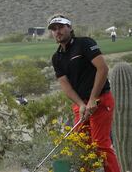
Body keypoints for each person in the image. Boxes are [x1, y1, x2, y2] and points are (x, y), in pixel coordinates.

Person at [48, 14, 121, 172]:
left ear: (70, 28)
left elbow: (102, 69)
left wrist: (93, 99)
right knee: (81, 147)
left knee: (100, 145)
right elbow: (65, 85)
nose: (57, 31)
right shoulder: (57, 58)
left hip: (100, 100)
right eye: (54, 29)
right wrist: (81, 104)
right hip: (80, 105)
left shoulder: (84, 44)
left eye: (60, 27)